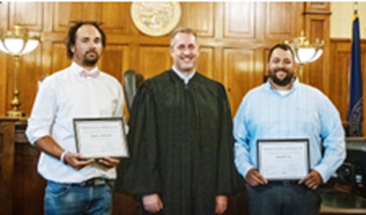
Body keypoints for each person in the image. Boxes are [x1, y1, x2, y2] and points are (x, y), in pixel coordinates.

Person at [121, 27, 238, 215]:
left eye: (191, 47)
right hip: (165, 190)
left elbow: (224, 144)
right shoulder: (152, 90)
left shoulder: (215, 92)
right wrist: (148, 189)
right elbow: (143, 142)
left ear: (199, 50)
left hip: (204, 190)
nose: (187, 52)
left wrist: (221, 191)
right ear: (171, 51)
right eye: (181, 47)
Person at [234, 43, 346, 215]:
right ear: (268, 65)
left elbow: (336, 140)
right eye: (276, 61)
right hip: (263, 190)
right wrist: (246, 169)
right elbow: (237, 140)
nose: (281, 66)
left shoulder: (317, 99)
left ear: (295, 66)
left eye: (287, 61)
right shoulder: (251, 99)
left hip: (304, 190)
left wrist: (322, 172)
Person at [26, 21, 124, 215]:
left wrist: (116, 155)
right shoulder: (54, 84)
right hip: (65, 187)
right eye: (85, 40)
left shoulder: (113, 85)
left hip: (103, 186)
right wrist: (64, 156)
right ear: (72, 46)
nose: (92, 45)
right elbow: (36, 130)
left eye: (97, 41)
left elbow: (119, 130)